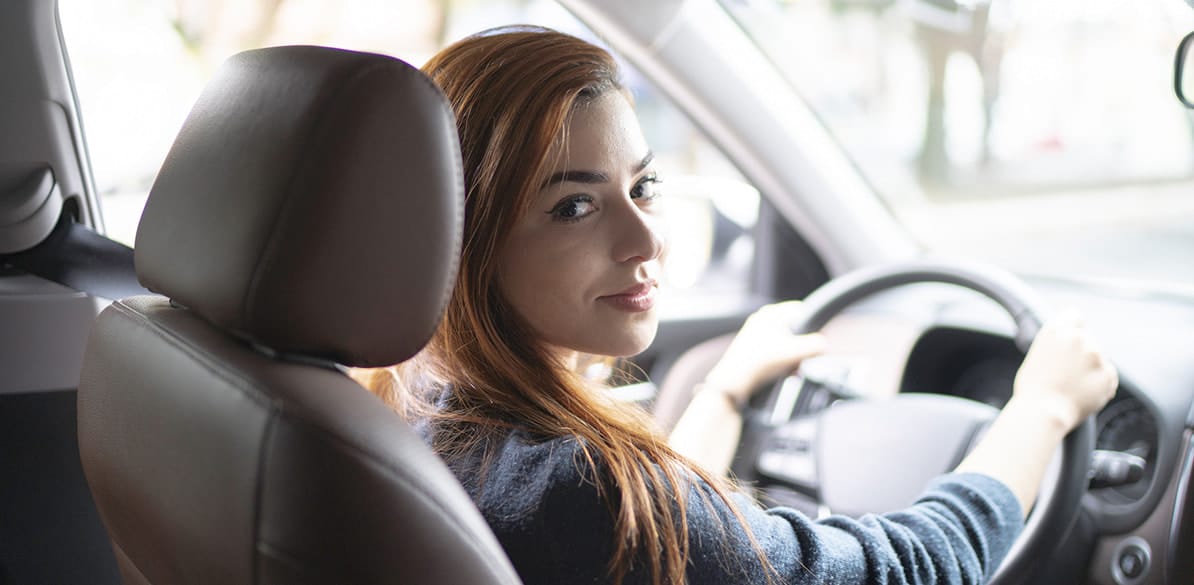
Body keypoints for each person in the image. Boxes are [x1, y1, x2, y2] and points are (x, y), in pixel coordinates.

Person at [356, 26, 1118, 585]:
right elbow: (913, 566)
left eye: (643, 185)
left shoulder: (415, 412)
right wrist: (1043, 408)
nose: (645, 237)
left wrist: (723, 390)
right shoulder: (575, 486)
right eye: (573, 208)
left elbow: (657, 547)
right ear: (465, 237)